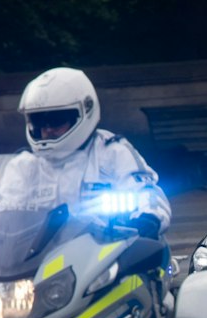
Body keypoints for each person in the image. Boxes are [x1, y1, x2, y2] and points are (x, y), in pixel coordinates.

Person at [15, 67, 170, 238]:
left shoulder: (111, 151)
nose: (47, 130)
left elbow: (147, 192)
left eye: (56, 120)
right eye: (39, 122)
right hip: (42, 256)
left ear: (84, 112)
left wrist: (148, 218)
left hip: (105, 250)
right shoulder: (24, 164)